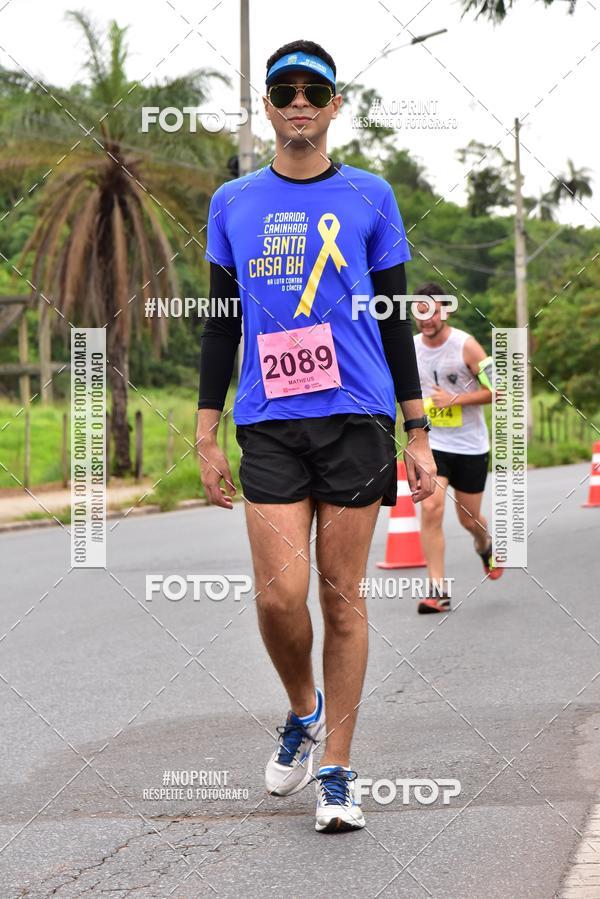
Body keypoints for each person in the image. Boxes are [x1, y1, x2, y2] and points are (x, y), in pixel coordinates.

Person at [197, 40, 436, 833]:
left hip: (358, 417)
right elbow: (220, 324)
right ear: (267, 105)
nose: (299, 101)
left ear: (336, 106)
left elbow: (399, 325)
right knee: (278, 596)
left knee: (343, 598)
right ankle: (302, 706)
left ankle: (336, 769)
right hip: (268, 420)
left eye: (314, 90)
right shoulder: (232, 200)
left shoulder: (372, 196)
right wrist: (206, 430)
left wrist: (419, 430)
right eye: (284, 90)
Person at [412, 282, 502, 615]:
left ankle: (485, 544)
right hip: (433, 444)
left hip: (470, 445)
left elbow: (499, 389)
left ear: (445, 311)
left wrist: (456, 399)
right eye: (420, 312)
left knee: (468, 519)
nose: (426, 319)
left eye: (433, 311)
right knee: (432, 508)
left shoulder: (466, 345)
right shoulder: (410, 348)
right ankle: (437, 590)